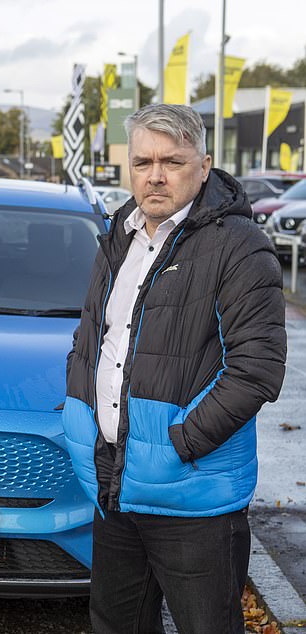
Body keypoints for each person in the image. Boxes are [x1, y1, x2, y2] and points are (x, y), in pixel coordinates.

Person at [62, 103, 287, 634]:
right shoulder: (121, 235)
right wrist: (79, 417)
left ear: (204, 166)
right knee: (117, 625)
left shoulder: (239, 246)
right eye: (143, 162)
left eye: (172, 161)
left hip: (193, 499)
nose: (155, 175)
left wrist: (178, 443)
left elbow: (257, 369)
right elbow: (93, 338)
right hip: (115, 484)